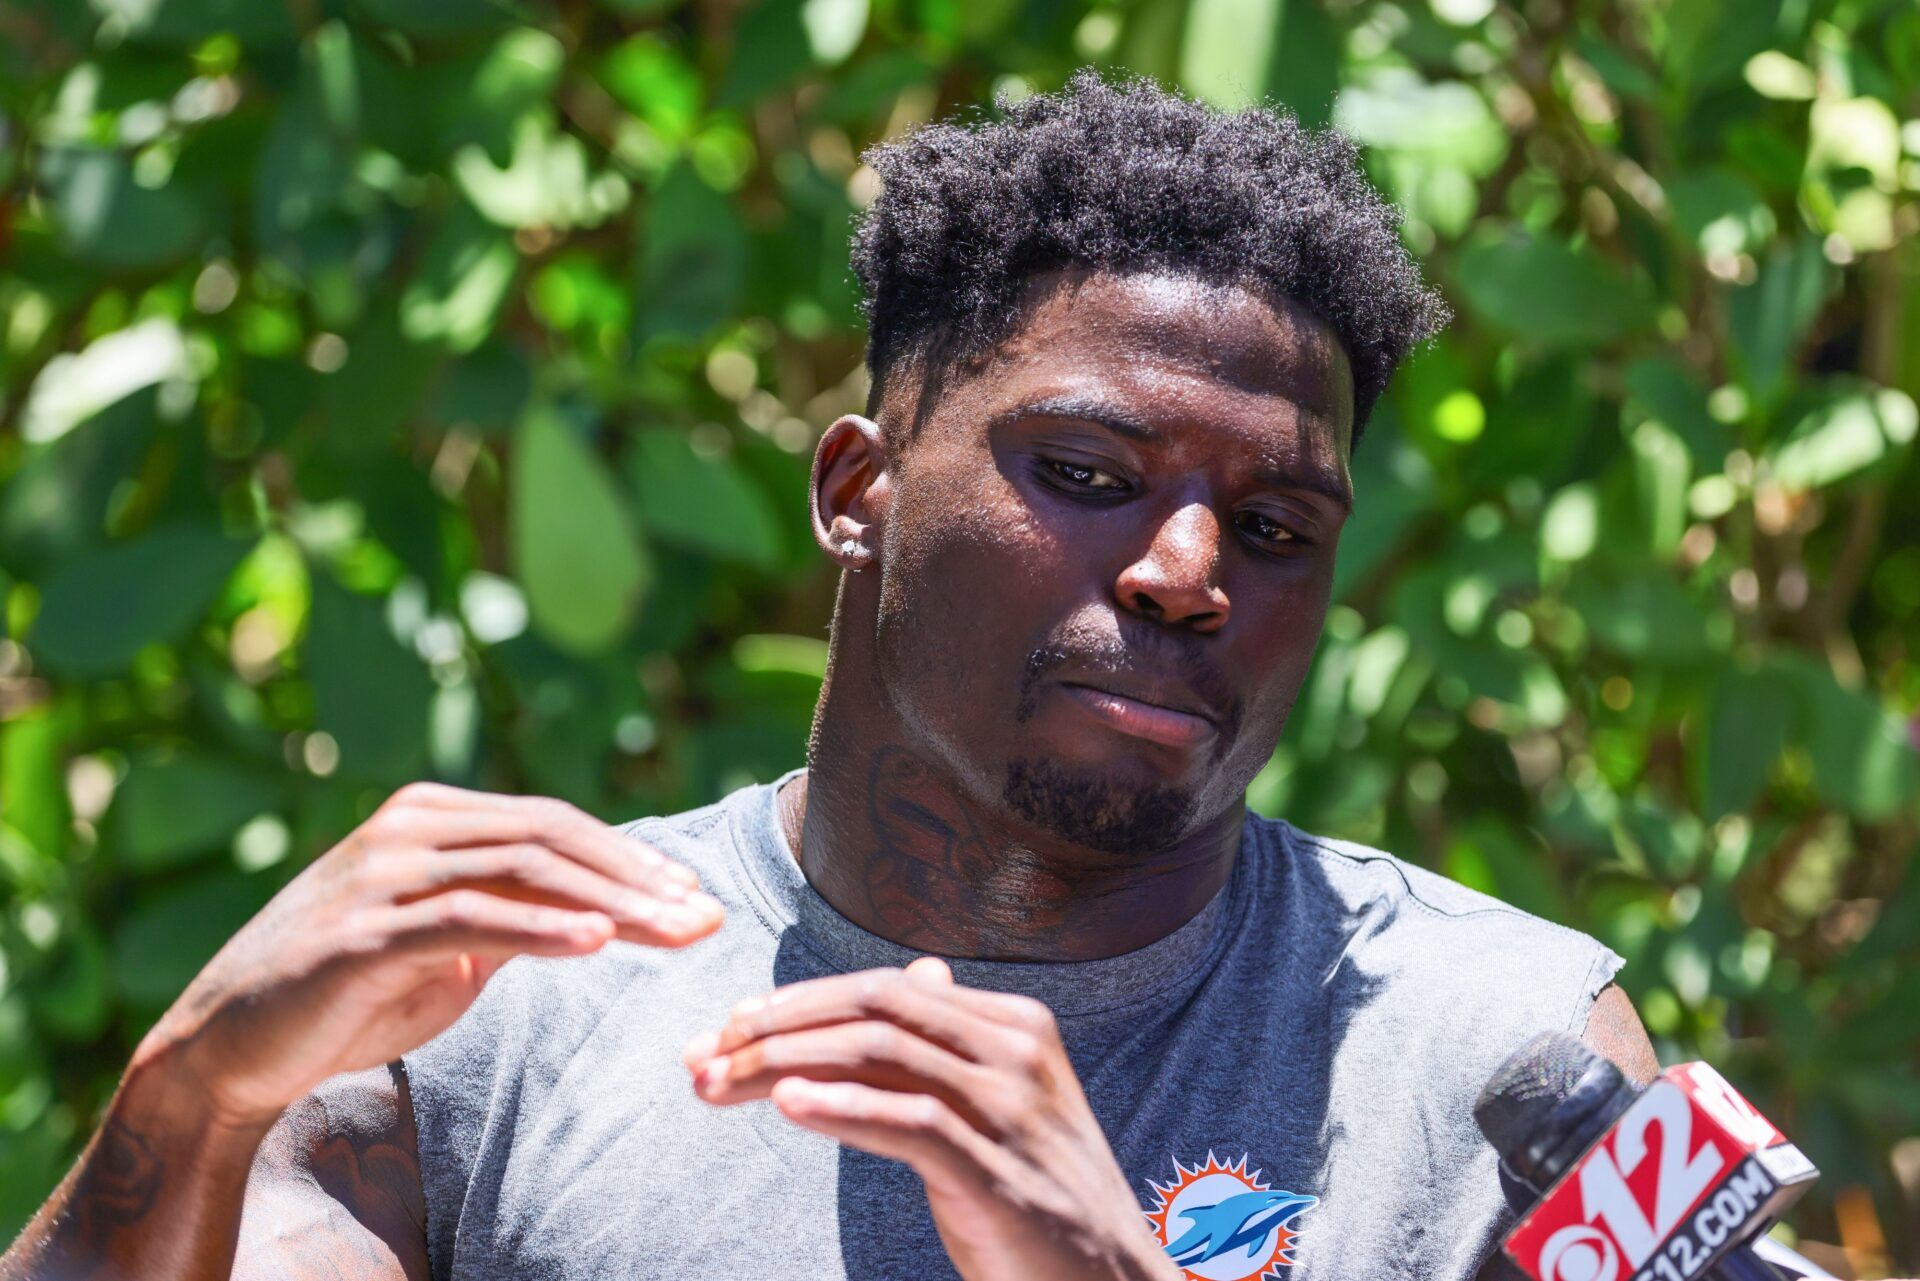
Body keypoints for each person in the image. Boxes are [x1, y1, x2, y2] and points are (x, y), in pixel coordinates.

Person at [3, 71, 1665, 1281]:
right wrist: (194, 1090)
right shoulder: (503, 1004)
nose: (1188, 572)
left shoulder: (1515, 1055)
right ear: (859, 490)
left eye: (1278, 520)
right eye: (1088, 473)